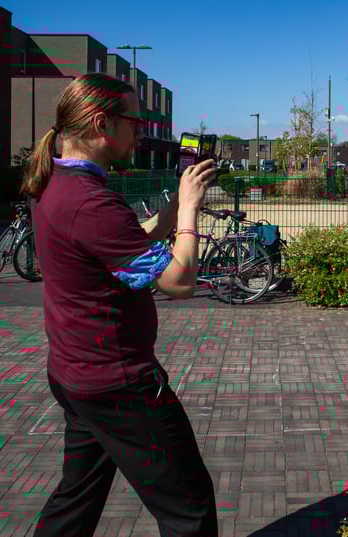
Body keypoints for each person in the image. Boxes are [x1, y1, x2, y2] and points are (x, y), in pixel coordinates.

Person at [21, 73, 219, 536]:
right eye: (135, 121)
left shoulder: (55, 184)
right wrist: (189, 213)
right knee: (189, 507)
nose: (142, 132)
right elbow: (180, 280)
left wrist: (171, 212)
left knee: (77, 498)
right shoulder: (90, 203)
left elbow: (121, 252)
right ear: (101, 123)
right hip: (119, 385)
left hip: (76, 373)